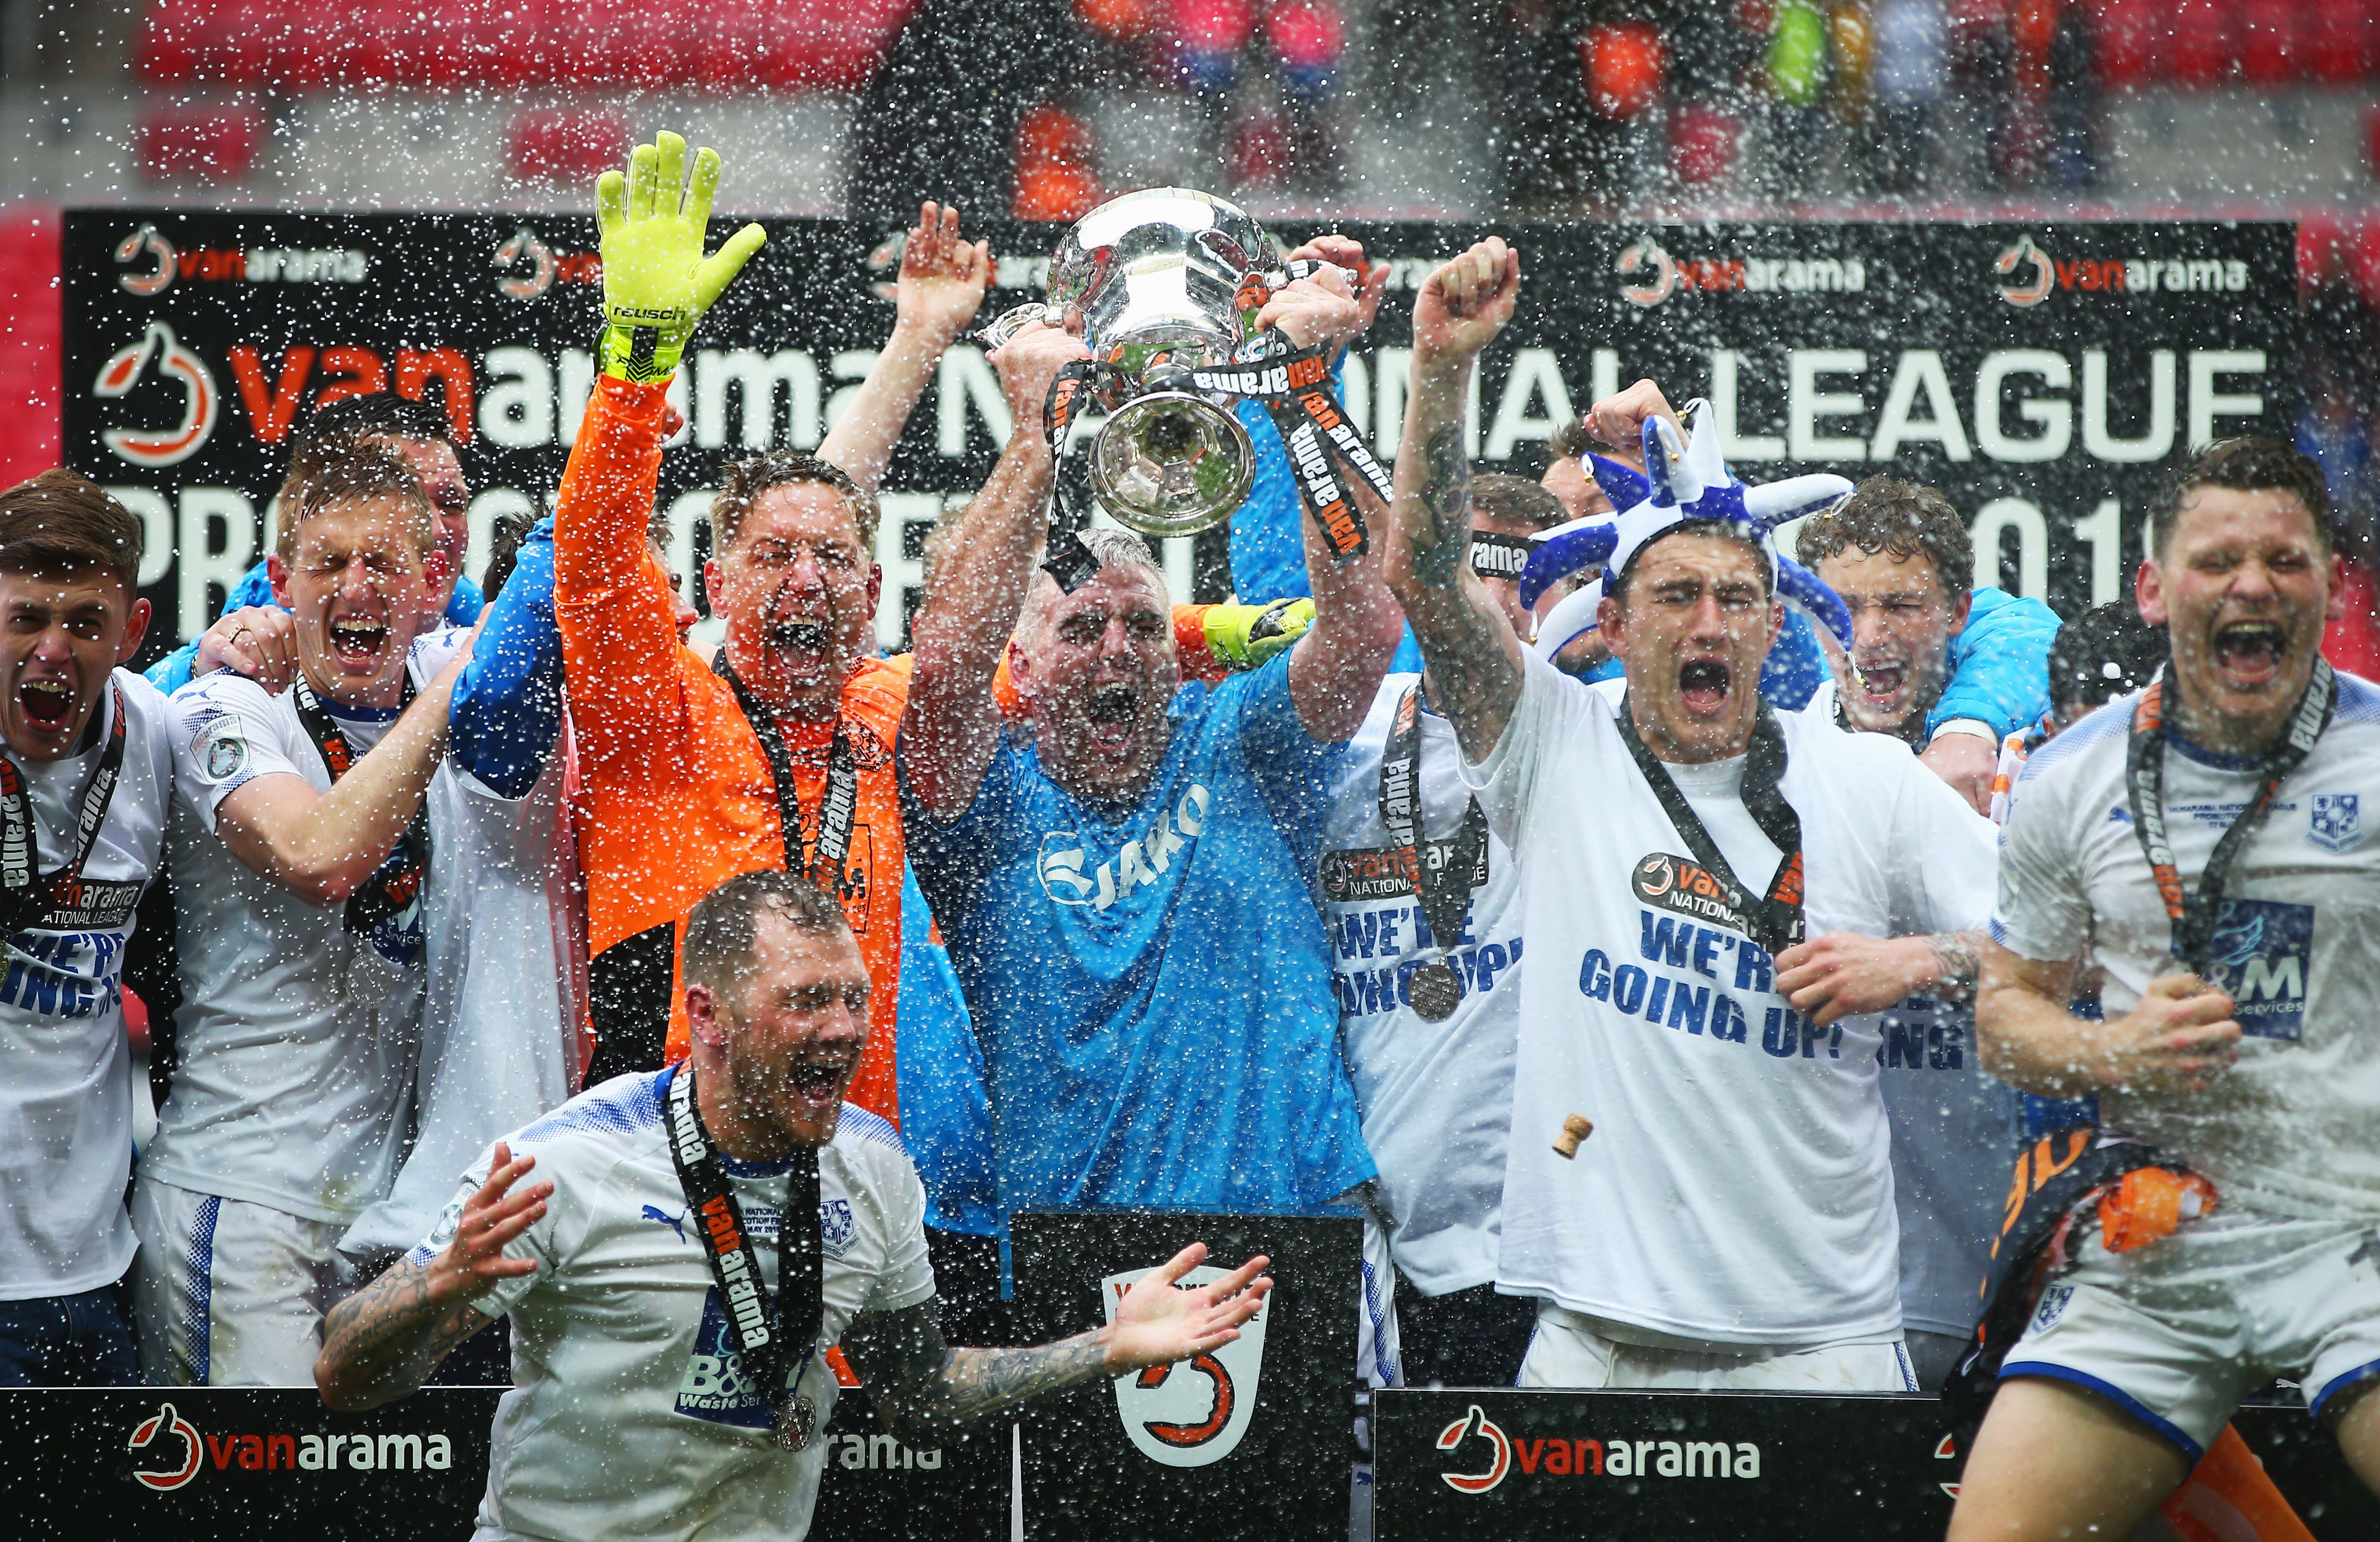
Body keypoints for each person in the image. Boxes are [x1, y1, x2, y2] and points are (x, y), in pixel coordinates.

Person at [1383, 237, 1996, 1393]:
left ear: (1774, 623)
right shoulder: (1554, 746)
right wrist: (1441, 366)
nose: (1709, 621)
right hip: (1593, 1335)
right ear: (1613, 624)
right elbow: (1421, 578)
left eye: (1735, 596)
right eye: (1674, 594)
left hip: (1822, 1341)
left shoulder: (1866, 780)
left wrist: (1918, 958)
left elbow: (2057, 942)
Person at [314, 869, 1272, 1542]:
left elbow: (919, 1394)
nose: (845, 1029)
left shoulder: (873, 1166)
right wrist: (432, 1290)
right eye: (808, 999)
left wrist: (1106, 1347)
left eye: (854, 998)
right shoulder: (563, 1163)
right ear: (707, 1016)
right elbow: (342, 1378)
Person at [900, 275, 1400, 1217]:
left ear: (1175, 651)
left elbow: (1365, 626)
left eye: (1141, 625)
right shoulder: (987, 801)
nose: (1117, 649)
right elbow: (946, 660)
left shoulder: (1239, 739)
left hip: (1292, 1221)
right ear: (1023, 665)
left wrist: (1301, 401)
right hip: (1064, 1244)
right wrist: (1035, 437)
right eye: (1081, 629)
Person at [1955, 436, 2380, 1539]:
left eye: (2284, 561)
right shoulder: (2069, 777)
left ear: (2330, 586)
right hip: (2160, 1237)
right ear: (2153, 588)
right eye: (2217, 560)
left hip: (2357, 1233)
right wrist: (2111, 1050)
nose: (2252, 585)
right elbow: (2004, 1017)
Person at [554, 137, 989, 1128]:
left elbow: (1051, 662)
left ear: (872, 590)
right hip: (666, 1154)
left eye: (833, 559)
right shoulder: (657, 715)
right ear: (714, 584)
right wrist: (636, 372)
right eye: (774, 556)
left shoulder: (888, 707)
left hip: (852, 1154)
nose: (806, 579)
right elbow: (593, 561)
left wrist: (1223, 631)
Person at [131, 443, 470, 1385]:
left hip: (386, 1219)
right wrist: (453, 690)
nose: (356, 587)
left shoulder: (446, 685)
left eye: (383, 563)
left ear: (428, 585)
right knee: (259, 1480)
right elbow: (317, 857)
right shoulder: (224, 704)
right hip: (240, 1203)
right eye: (328, 563)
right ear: (281, 581)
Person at [1320, 474, 1566, 1389]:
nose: (1487, 596)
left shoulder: (1596, 735)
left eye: (1518, 573)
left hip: (1535, 1242)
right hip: (1361, 1226)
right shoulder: (1341, 728)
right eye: (1467, 564)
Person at [0, 472, 177, 1386]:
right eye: (26, 618)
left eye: (84, 622)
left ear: (132, 632)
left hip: (99, 1265)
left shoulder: (158, 733)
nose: (52, 650)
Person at [147, 393, 483, 696]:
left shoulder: (491, 628)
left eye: (451, 503)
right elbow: (136, 717)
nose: (436, 529)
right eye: (405, 502)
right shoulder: (244, 653)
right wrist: (201, 674)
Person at [1795, 475, 2061, 813]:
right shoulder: (1780, 696)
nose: (1871, 638)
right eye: (1845, 609)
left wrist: (1967, 729)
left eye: (1901, 607)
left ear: (1958, 613)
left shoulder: (2029, 747)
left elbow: (2027, 632)